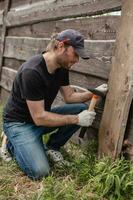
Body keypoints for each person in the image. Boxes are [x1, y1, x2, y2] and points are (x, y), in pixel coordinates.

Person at [2, 29, 108, 180]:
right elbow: (39, 117)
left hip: (39, 119)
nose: (77, 60)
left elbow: (69, 96)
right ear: (60, 46)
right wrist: (77, 119)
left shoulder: (61, 67)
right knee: (40, 171)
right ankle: (10, 143)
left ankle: (52, 147)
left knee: (80, 108)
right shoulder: (32, 72)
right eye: (75, 54)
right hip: (19, 124)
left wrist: (94, 92)